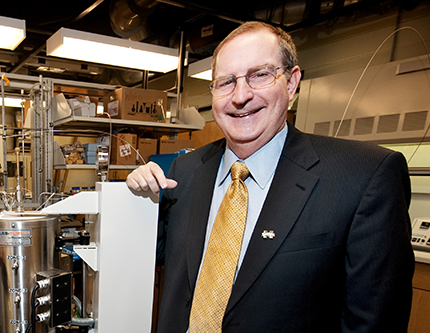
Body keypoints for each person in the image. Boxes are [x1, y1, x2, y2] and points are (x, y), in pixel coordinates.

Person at [126, 21, 414, 332]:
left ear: (291, 83)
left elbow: (374, 320)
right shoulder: (186, 170)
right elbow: (148, 256)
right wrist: (135, 201)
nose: (240, 96)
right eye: (225, 82)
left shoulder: (364, 175)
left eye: (259, 75)